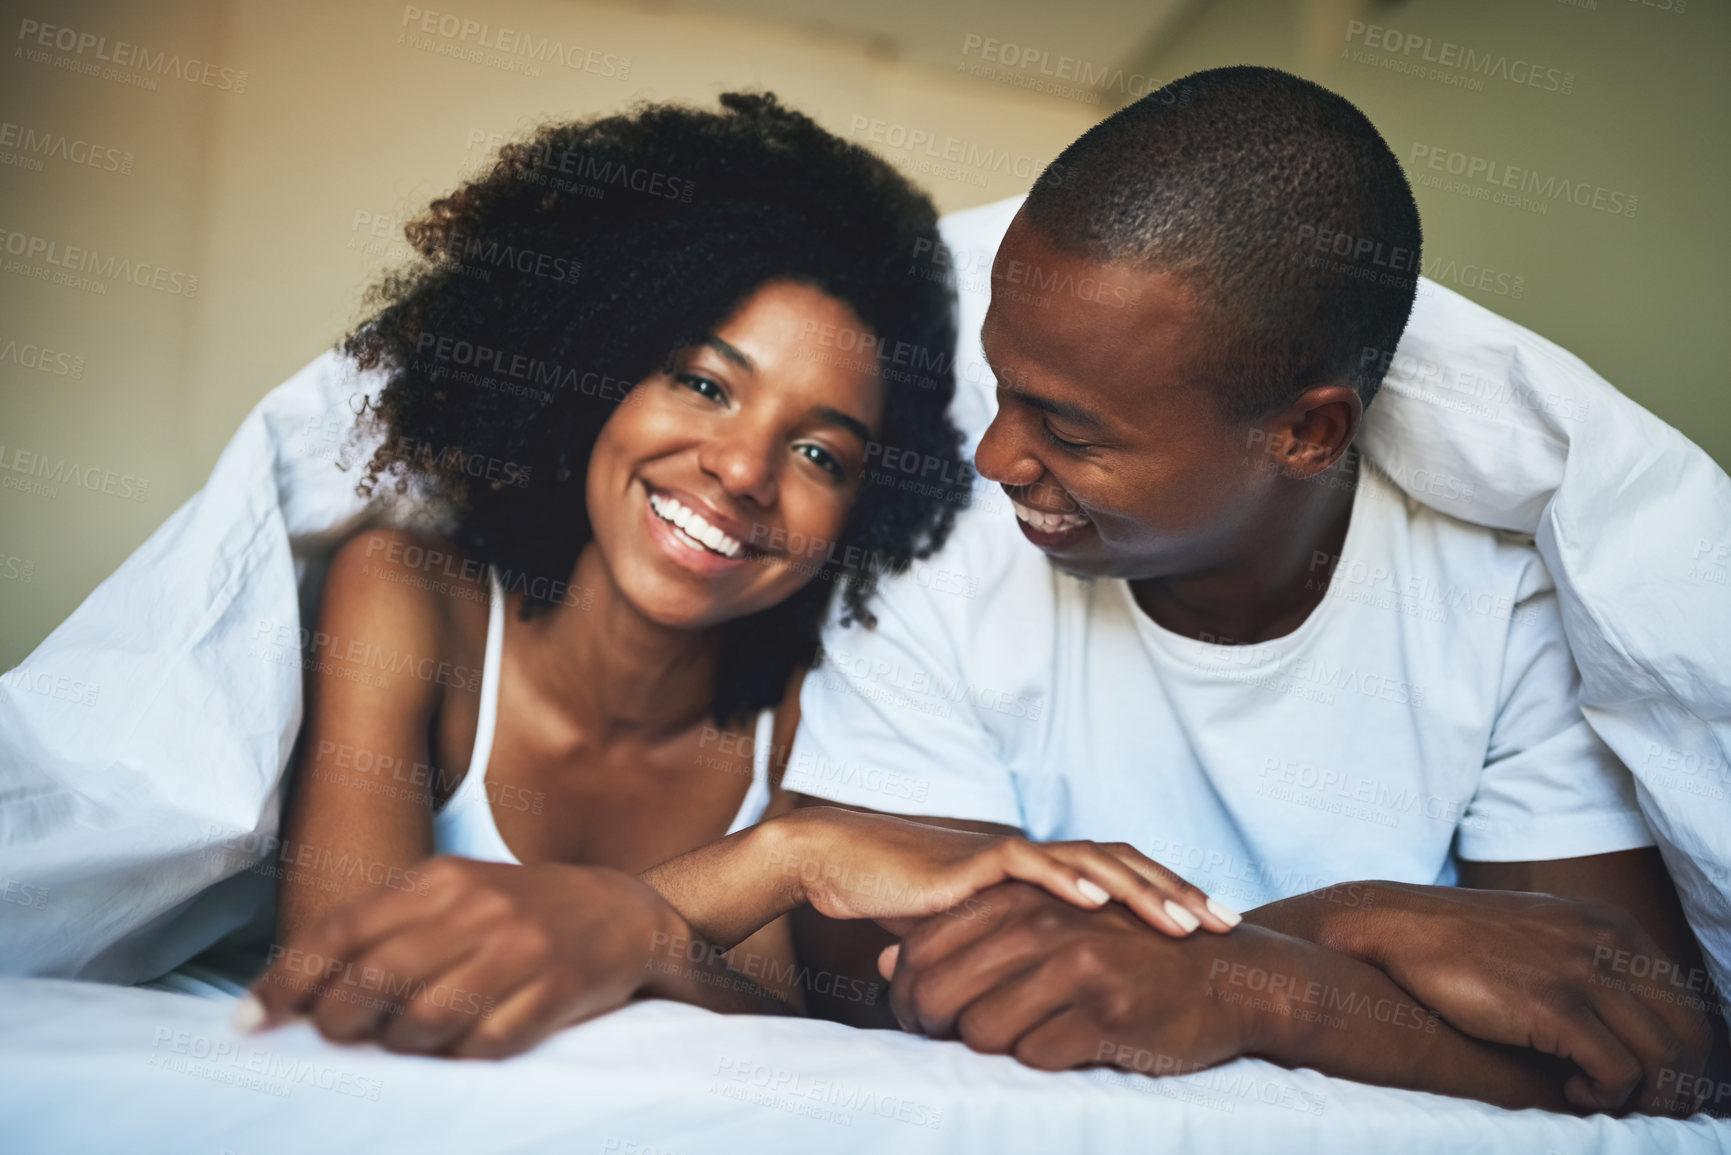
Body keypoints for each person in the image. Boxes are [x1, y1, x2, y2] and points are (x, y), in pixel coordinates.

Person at [640, 68, 1721, 1115]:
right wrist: (1343, 939)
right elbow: (894, 976)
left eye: (1067, 429)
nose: (999, 455)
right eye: (1003, 390)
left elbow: (1648, 1053)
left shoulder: (1496, 600)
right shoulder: (941, 538)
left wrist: (1229, 986)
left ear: (1306, 433)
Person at [241, 93, 1230, 1058]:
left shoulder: (808, 709)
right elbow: (349, 983)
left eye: (820, 455)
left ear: (864, 510)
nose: (744, 472)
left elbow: (771, 1049)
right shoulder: (408, 594)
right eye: (705, 386)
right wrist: (780, 862)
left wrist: (702, 903)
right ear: (598, 370)